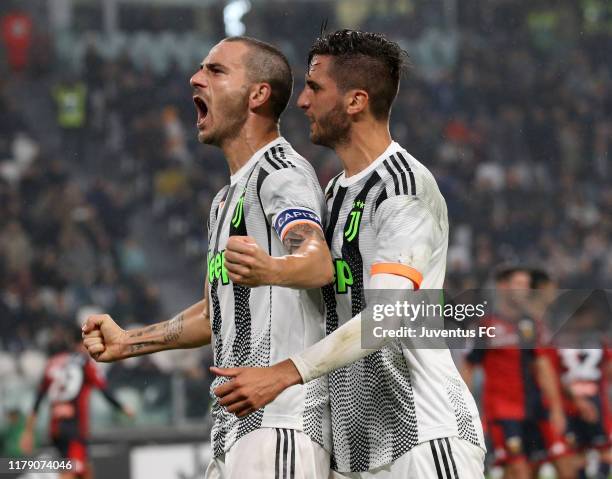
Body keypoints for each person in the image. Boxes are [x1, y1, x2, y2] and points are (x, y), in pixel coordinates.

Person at [211, 30, 486, 478]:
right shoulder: (334, 192)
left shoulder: (403, 188)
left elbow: (387, 318)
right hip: (358, 454)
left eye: (315, 88)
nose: (301, 102)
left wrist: (283, 373)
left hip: (424, 435)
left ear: (356, 101)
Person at [81, 36, 334, 479]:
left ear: (258, 94)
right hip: (234, 429)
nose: (195, 78)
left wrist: (273, 267)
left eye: (216, 71)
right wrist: (129, 343)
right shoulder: (224, 200)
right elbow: (213, 314)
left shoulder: (280, 174)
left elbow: (317, 260)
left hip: (281, 424)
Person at [461, 267, 574, 479]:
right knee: (519, 471)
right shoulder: (485, 326)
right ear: (503, 286)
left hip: (534, 410)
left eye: (527, 285)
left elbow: (543, 367)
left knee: (550, 469)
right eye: (519, 284)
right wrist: (463, 410)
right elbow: (468, 367)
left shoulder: (529, 325)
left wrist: (557, 408)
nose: (525, 290)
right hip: (502, 413)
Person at [20, 328, 133, 479]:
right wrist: (123, 407)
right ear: (82, 344)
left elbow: (37, 400)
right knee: (71, 472)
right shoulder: (85, 363)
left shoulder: (51, 363)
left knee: (85, 470)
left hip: (55, 428)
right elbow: (104, 389)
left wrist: (28, 432)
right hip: (74, 428)